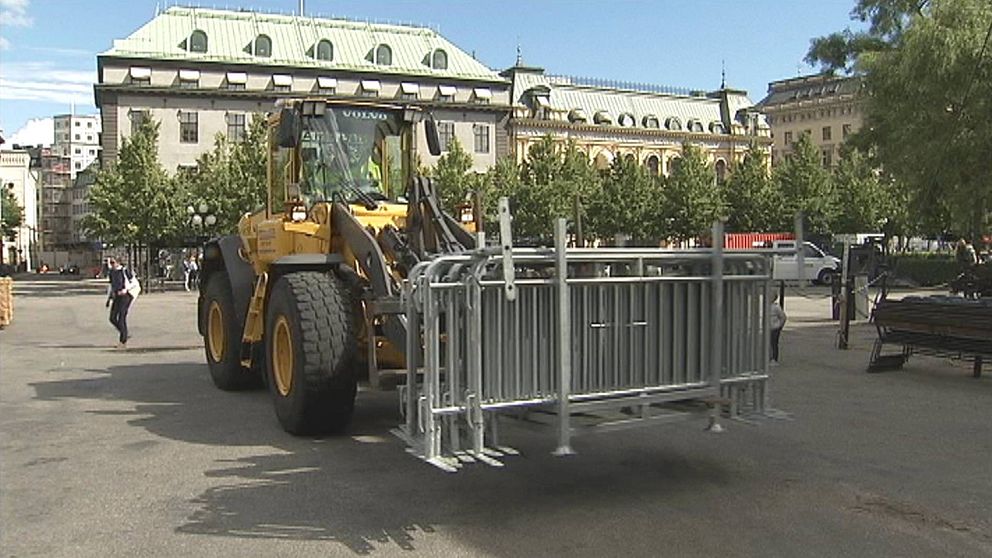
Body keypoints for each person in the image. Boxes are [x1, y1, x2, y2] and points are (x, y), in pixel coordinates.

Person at [106, 258, 134, 349]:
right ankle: (124, 332)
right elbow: (111, 285)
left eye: (113, 262)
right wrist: (109, 298)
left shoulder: (124, 271)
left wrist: (125, 290)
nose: (111, 264)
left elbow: (133, 282)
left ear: (118, 262)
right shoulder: (111, 272)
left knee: (122, 317)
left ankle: (123, 341)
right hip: (117, 295)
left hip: (126, 296)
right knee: (112, 318)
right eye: (110, 263)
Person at [770, 294, 787, 365]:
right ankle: (770, 357)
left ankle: (774, 358)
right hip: (769, 328)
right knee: (770, 343)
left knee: (774, 343)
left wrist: (780, 326)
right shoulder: (766, 306)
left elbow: (783, 317)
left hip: (775, 328)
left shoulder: (776, 307)